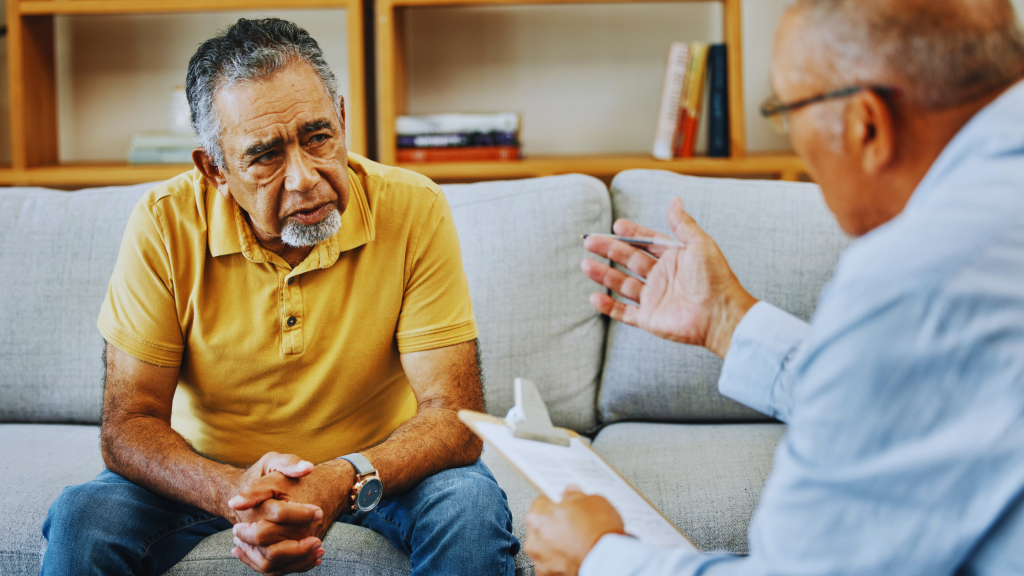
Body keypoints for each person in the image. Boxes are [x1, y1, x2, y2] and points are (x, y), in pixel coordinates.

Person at [524, 0, 1024, 574]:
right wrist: (726, 321)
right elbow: (934, 398)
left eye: (785, 112)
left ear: (866, 124)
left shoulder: (914, 273)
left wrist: (597, 559)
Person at [40, 18, 519, 576]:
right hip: (214, 472)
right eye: (265, 155)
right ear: (214, 168)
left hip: (380, 468)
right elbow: (129, 425)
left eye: (318, 137)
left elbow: (454, 416)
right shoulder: (163, 225)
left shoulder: (414, 208)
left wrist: (345, 475)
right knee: (82, 518)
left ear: (341, 118)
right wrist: (234, 493)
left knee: (471, 507)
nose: (304, 179)